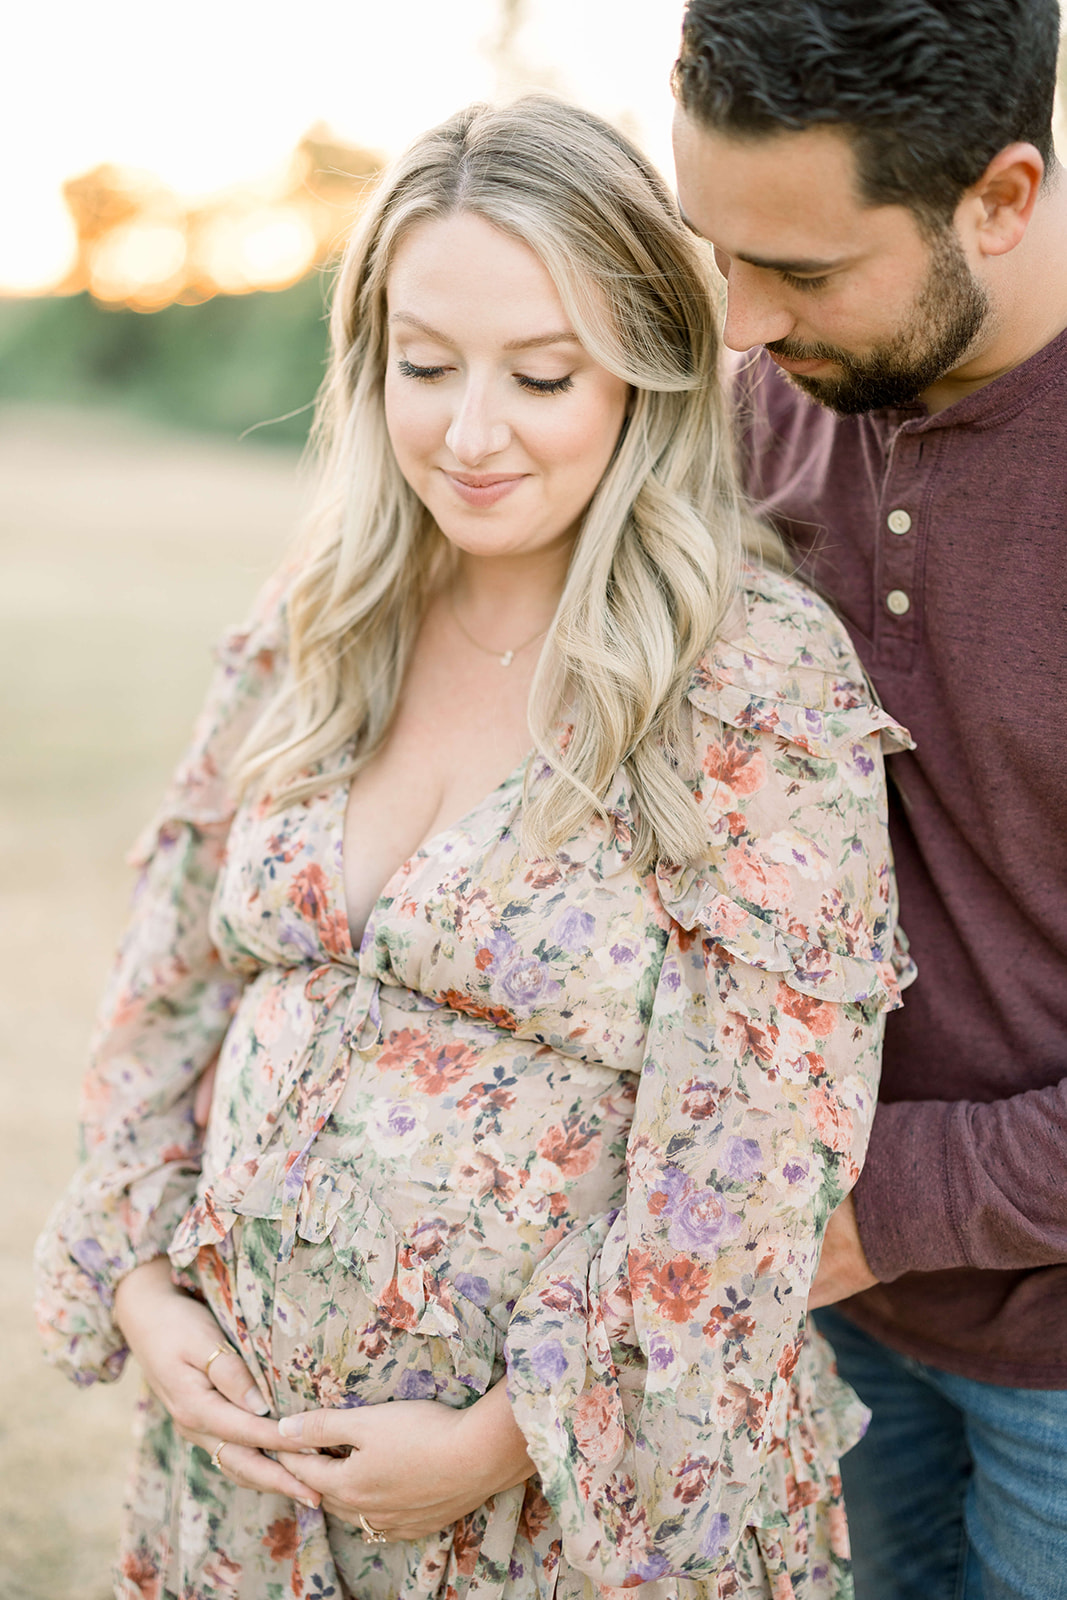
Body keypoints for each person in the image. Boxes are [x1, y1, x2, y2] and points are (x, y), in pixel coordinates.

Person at [35, 97, 909, 1600]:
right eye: (424, 365)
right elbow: (163, 993)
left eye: (543, 374)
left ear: (643, 367)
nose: (471, 429)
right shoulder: (318, 624)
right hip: (249, 1504)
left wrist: (507, 1436)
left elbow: (757, 1156)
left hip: (578, 1519)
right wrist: (143, 1284)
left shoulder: (752, 680)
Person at [671, 2, 1067, 1596]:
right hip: (824, 1310)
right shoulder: (769, 391)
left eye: (807, 272)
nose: (743, 325)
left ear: (1004, 196)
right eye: (719, 247)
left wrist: (874, 1202)